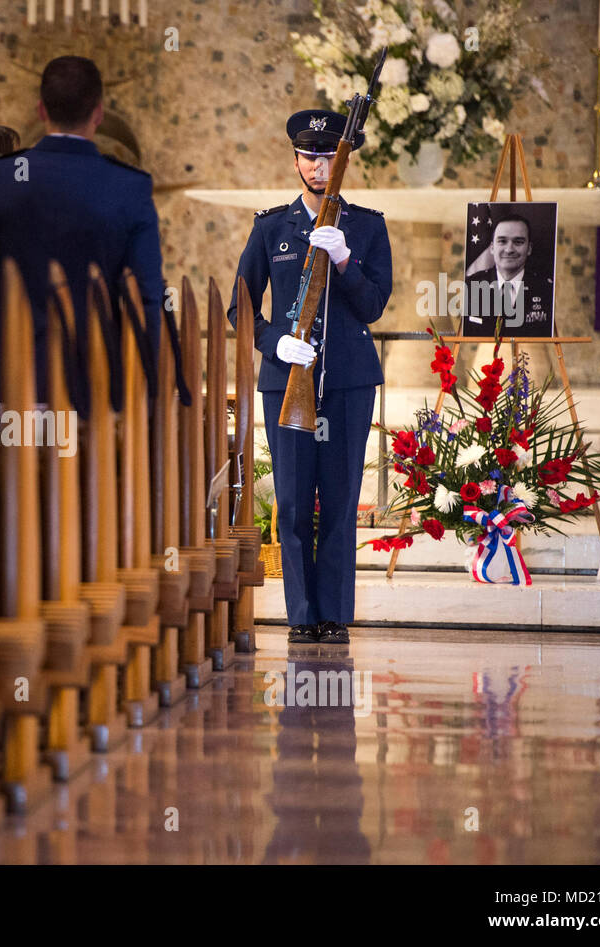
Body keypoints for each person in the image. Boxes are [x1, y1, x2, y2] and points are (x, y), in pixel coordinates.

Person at [226, 109, 392, 645]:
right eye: (309, 156)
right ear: (295, 160)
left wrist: (345, 262)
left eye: (327, 157)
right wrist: (277, 342)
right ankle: (301, 615)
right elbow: (240, 308)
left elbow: (372, 307)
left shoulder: (366, 227)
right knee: (294, 501)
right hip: (287, 382)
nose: (318, 167)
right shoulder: (271, 227)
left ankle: (334, 614)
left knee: (341, 501)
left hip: (346, 383)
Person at [0, 55, 165, 411]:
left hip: (7, 386)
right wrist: (148, 387)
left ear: (41, 110)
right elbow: (147, 296)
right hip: (95, 388)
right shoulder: (128, 187)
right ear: (98, 114)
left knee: (6, 468)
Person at [465, 214, 552, 332]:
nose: (509, 249)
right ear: (492, 248)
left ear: (529, 248)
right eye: (502, 241)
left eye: (518, 242)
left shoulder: (546, 289)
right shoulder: (471, 286)